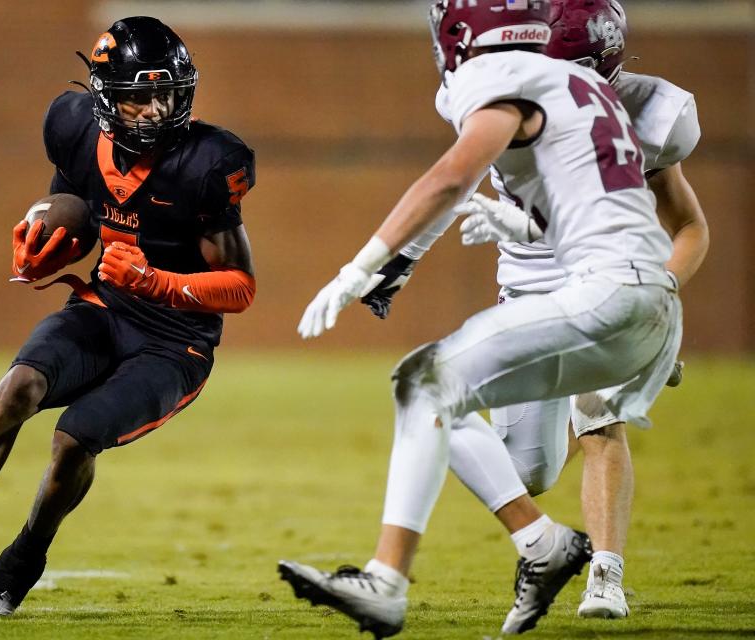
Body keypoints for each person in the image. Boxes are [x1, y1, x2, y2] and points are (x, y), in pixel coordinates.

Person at [278, 0, 682, 637]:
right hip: (645, 302)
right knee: (454, 411)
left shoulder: (506, 81)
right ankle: (539, 542)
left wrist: (360, 269)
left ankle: (394, 580)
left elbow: (449, 180)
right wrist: (521, 223)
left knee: (423, 383)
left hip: (601, 297)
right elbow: (600, 211)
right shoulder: (584, 87)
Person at [0, 16, 256, 619]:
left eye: (166, 94)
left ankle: (19, 564)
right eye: (137, 96)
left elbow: (238, 288)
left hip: (174, 343)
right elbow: (76, 207)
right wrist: (46, 245)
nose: (154, 110)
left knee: (74, 437)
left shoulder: (208, 162)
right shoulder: (74, 127)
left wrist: (160, 280)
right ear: (105, 99)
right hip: (105, 309)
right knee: (18, 386)